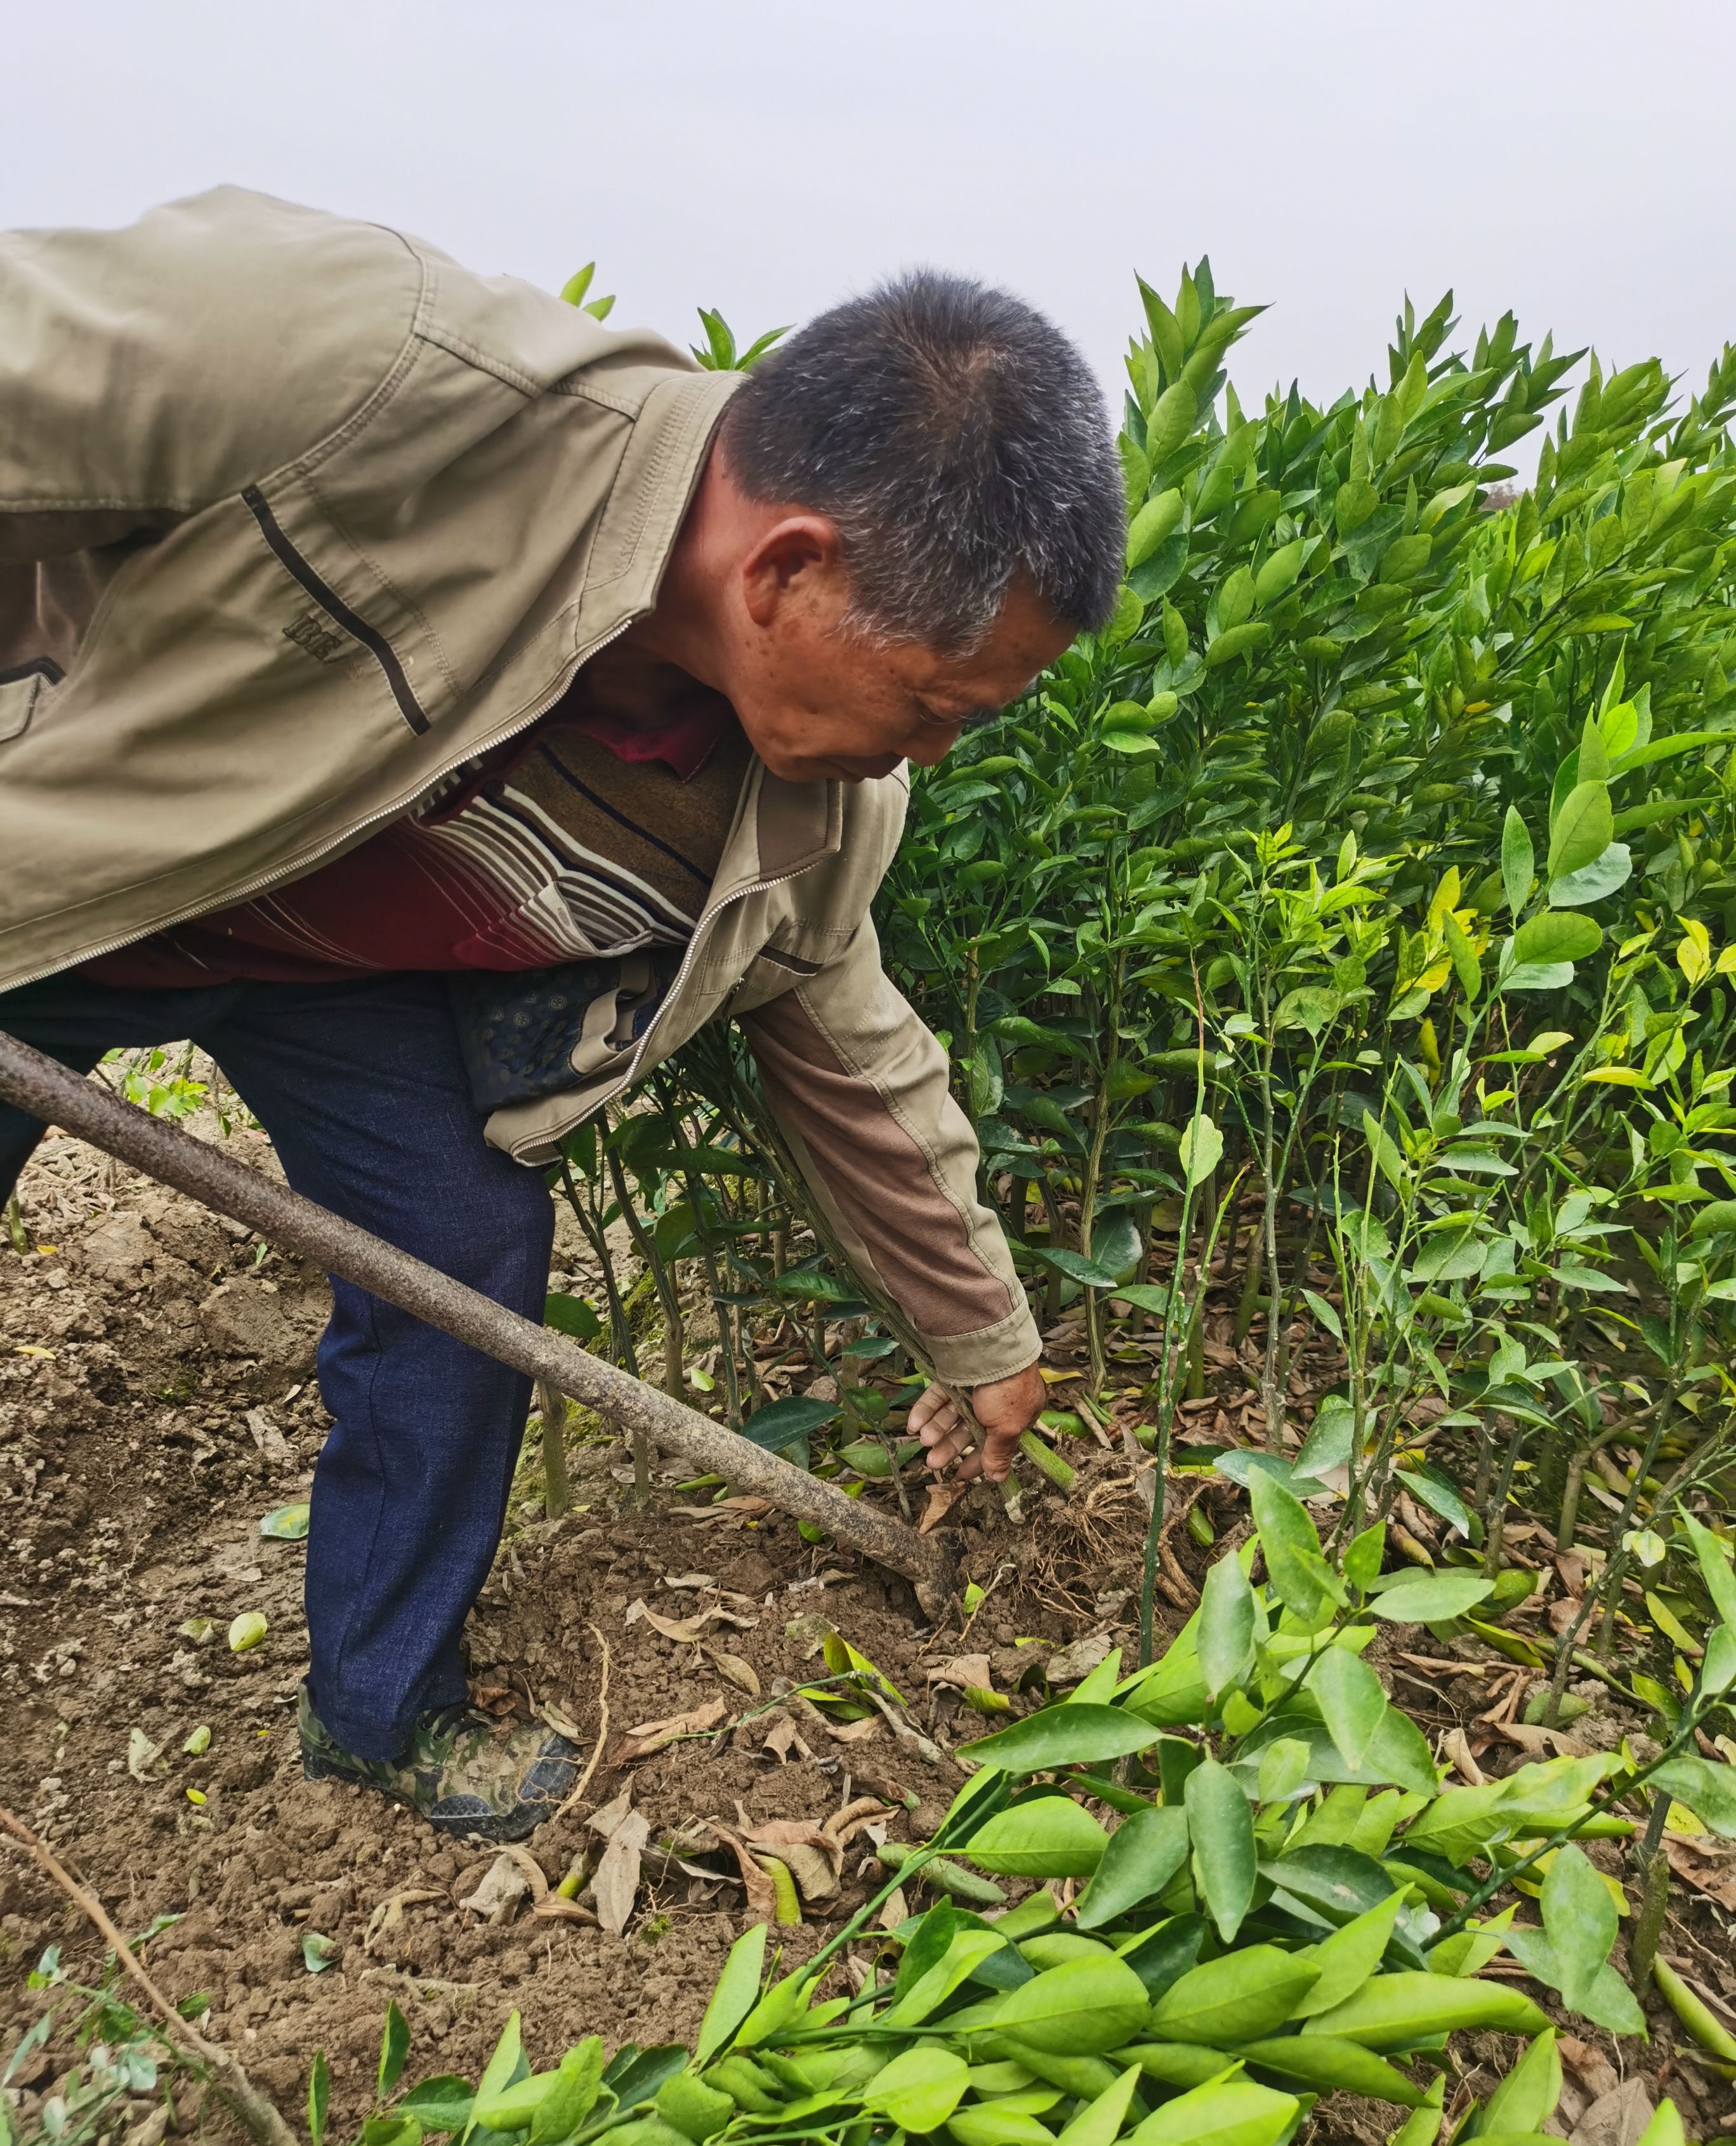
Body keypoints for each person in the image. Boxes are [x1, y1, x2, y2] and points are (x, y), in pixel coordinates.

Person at [0, 189, 1124, 1838]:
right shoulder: (365, 364)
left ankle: (380, 1711)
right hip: (67, 869)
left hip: (328, 970)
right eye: (936, 706)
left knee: (461, 1255)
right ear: (791, 570)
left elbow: (863, 1062)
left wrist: (984, 1342)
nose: (930, 756)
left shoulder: (810, 815)